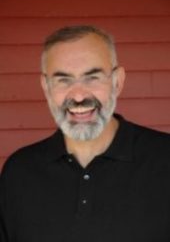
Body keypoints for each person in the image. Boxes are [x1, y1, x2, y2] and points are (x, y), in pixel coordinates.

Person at [0, 25, 170, 242]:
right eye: (63, 80)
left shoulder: (165, 159)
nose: (79, 96)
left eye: (92, 78)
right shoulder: (18, 172)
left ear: (117, 81)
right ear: (46, 86)